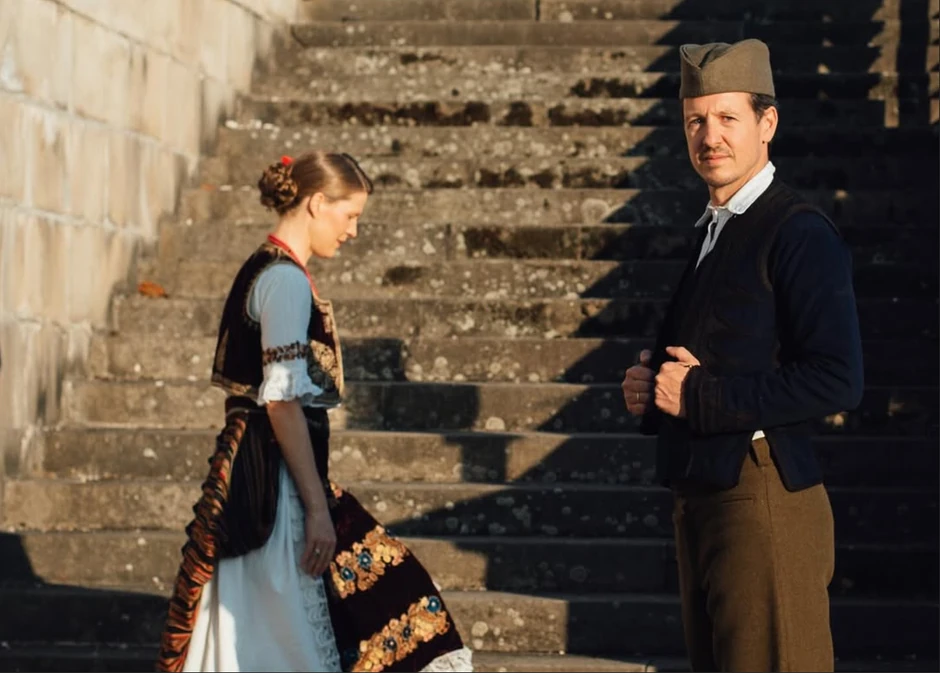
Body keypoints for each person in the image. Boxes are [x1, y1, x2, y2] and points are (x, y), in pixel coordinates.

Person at [156, 152, 472, 672]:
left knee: (274, 630)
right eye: (350, 215)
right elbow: (282, 402)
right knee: (286, 637)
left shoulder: (267, 268)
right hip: (271, 483)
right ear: (317, 202)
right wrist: (318, 509)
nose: (353, 231)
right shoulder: (285, 280)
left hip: (257, 473)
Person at [621, 39, 864, 672]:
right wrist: (655, 386)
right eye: (695, 120)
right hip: (706, 493)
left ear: (767, 123)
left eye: (728, 117)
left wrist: (698, 395)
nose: (710, 137)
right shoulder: (716, 228)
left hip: (763, 498)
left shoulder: (798, 231)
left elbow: (837, 378)